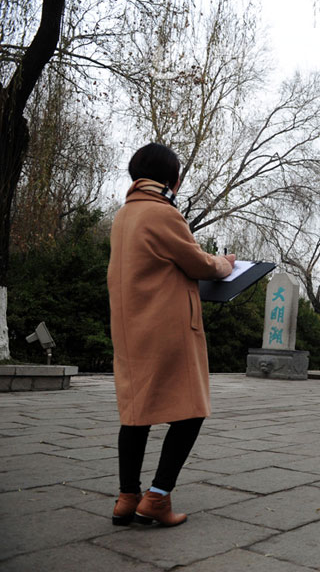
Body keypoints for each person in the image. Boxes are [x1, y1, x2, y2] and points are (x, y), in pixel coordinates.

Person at [108, 143, 235, 527]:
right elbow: (198, 262)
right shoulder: (163, 214)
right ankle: (158, 497)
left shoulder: (123, 216)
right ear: (172, 179)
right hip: (168, 327)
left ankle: (127, 498)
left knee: (136, 413)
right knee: (191, 409)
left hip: (131, 327)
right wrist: (225, 264)